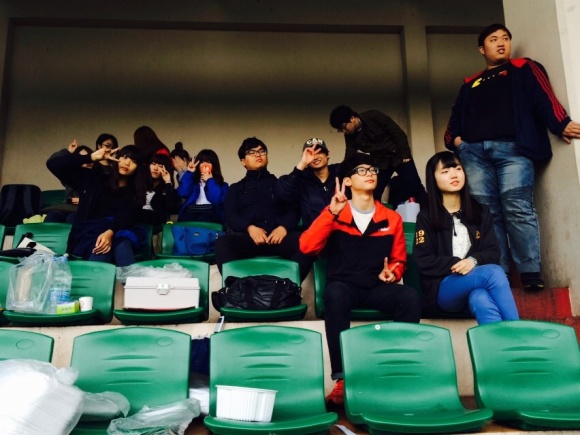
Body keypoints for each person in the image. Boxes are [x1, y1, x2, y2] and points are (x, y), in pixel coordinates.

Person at [444, 23, 580, 292]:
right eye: (493, 39)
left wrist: (561, 123)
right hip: (474, 154)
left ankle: (530, 273)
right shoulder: (470, 83)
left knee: (517, 207)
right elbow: (454, 121)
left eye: (505, 38)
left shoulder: (523, 68)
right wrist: (458, 142)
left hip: (514, 150)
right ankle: (500, 273)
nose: (501, 42)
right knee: (487, 214)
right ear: (482, 49)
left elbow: (544, 98)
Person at [299, 153, 422, 405]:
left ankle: (396, 372)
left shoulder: (392, 217)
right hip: (344, 287)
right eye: (362, 170)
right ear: (347, 181)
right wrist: (330, 213)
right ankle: (342, 379)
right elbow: (306, 247)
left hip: (376, 287)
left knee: (410, 296)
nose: (370, 174)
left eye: (373, 169)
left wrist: (393, 272)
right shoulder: (336, 212)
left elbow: (399, 260)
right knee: (334, 294)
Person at [414, 151, 519, 324]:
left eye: (458, 168)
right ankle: (517, 330)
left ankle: (499, 341)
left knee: (481, 298)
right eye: (445, 171)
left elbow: (493, 251)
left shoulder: (481, 212)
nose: (454, 175)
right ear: (433, 179)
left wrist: (473, 261)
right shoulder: (426, 217)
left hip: (474, 286)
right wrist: (457, 264)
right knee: (493, 273)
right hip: (443, 289)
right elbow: (423, 260)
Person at [215, 137, 312, 281]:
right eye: (251, 152)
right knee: (222, 244)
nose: (258, 155)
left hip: (278, 238)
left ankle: (287, 287)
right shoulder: (235, 189)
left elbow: (293, 210)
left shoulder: (280, 184)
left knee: (308, 241)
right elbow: (231, 216)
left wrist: (283, 227)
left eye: (262, 151)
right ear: (243, 161)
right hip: (249, 239)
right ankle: (238, 288)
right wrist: (249, 228)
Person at [47, 143, 148, 266]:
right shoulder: (94, 179)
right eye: (125, 157)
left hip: (117, 232)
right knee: (103, 247)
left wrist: (109, 232)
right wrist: (90, 157)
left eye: (134, 161)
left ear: (138, 168)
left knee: (120, 244)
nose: (127, 163)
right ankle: (126, 277)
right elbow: (53, 164)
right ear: (117, 158)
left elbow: (126, 217)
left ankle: (128, 278)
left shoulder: (136, 192)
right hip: (87, 234)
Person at [329, 105, 427, 205]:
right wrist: (342, 173)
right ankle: (376, 214)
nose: (344, 131)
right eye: (340, 130)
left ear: (352, 118)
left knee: (416, 186)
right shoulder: (349, 136)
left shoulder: (374, 116)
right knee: (374, 193)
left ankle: (428, 211)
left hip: (399, 156)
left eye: (343, 127)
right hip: (381, 163)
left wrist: (406, 155)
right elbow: (350, 155)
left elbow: (398, 133)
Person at [275, 137, 340, 230]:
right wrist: (302, 163)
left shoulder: (340, 171)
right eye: (310, 153)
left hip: (342, 232)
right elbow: (281, 195)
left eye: (319, 152)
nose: (315, 157)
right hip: (314, 233)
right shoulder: (301, 178)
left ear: (328, 155)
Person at [44, 142, 93, 223]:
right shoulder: (71, 174)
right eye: (81, 158)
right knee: (52, 216)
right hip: (68, 208)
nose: (86, 161)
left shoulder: (97, 175)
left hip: (86, 210)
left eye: (87, 157)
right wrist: (68, 151)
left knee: (72, 218)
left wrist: (84, 200)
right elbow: (52, 163)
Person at [177, 149, 228, 224]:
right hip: (192, 212)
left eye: (208, 162)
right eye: (202, 162)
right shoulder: (192, 182)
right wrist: (190, 172)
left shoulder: (223, 185)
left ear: (214, 165)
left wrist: (210, 180)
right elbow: (183, 193)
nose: (205, 165)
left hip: (211, 215)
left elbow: (217, 200)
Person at [138, 153, 177, 229]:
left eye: (160, 166)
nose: (155, 168)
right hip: (137, 217)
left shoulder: (166, 188)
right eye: (153, 164)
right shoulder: (141, 183)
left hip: (154, 219)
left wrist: (168, 182)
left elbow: (170, 206)